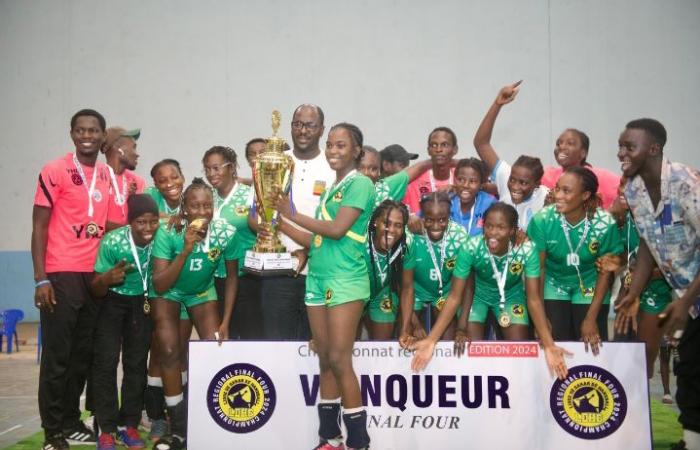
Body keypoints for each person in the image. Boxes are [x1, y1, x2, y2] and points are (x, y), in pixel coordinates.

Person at [274, 122, 374, 450]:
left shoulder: (361, 184)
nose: (333, 150)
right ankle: (329, 438)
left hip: (346, 280)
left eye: (341, 145)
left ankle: (359, 442)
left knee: (340, 359)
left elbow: (335, 229)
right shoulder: (333, 186)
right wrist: (279, 221)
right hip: (316, 278)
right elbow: (317, 241)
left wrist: (294, 213)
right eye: (330, 145)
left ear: (356, 150)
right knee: (325, 360)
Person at [409, 202, 570, 380]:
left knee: (518, 351)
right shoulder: (471, 247)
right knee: (470, 351)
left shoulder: (526, 249)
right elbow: (455, 296)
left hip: (511, 295)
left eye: (501, 228)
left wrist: (549, 344)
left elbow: (533, 300)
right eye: (489, 226)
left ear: (512, 231)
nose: (493, 233)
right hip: (478, 296)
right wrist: (431, 340)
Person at [614, 118, 700, 450]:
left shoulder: (685, 182)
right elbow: (649, 243)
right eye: (620, 145)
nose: (621, 152)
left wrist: (684, 300)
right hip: (687, 296)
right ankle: (692, 441)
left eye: (629, 146)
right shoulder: (634, 189)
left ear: (654, 149)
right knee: (690, 368)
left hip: (691, 293)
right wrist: (633, 292)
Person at [32, 109, 110, 449]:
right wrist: (40, 279)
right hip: (61, 272)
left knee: (82, 353)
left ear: (103, 135)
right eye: (80, 130)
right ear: (72, 134)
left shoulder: (107, 175)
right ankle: (52, 431)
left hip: (95, 275)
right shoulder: (54, 170)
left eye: (93, 130)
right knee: (57, 355)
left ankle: (69, 419)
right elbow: (39, 227)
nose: (87, 135)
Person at [149, 178, 242, 450]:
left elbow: (233, 278)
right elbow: (160, 283)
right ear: (185, 208)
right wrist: (186, 248)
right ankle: (177, 427)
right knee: (168, 350)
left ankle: (206, 418)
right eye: (195, 206)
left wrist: (225, 321)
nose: (202, 212)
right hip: (168, 292)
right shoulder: (169, 231)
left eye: (207, 206)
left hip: (201, 292)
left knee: (214, 348)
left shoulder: (225, 231)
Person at [257, 104, 335, 340]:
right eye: (297, 124)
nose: (302, 131)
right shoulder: (271, 162)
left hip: (321, 273)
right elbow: (257, 212)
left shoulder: (333, 167)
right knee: (277, 345)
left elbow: (335, 227)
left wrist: (308, 249)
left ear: (321, 129)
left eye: (310, 125)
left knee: (317, 350)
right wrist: (265, 230)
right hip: (278, 269)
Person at [527, 167, 623, 351]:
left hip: (589, 283)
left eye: (566, 191)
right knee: (556, 341)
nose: (558, 196)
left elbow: (606, 273)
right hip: (553, 283)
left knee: (590, 345)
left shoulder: (604, 224)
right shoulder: (542, 221)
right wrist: (541, 319)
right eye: (557, 189)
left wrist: (591, 319)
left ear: (585, 195)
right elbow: (538, 270)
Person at [90, 194, 159, 450]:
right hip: (112, 302)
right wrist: (106, 279)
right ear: (130, 222)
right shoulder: (112, 242)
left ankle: (128, 424)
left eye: (153, 221)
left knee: (136, 364)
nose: (148, 228)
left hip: (142, 303)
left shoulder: (160, 240)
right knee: (105, 363)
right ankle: (106, 428)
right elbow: (95, 289)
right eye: (141, 222)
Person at [607, 177, 673, 380]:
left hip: (657, 293)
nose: (623, 189)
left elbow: (670, 266)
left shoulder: (664, 217)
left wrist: (636, 278)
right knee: (620, 351)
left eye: (632, 186)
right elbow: (625, 253)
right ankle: (623, 405)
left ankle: (641, 405)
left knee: (644, 358)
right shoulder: (625, 219)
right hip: (630, 292)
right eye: (622, 184)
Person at [142, 159, 188, 440]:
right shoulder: (150, 199)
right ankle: (155, 414)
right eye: (163, 179)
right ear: (155, 184)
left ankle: (177, 413)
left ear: (183, 176)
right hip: (159, 283)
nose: (170, 182)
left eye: (175, 176)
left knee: (179, 350)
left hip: (189, 286)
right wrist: (163, 218)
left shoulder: (193, 199)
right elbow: (135, 215)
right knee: (160, 349)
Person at [473, 81, 549, 230]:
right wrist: (497, 104)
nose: (514, 186)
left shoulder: (547, 198)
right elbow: (481, 143)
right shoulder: (505, 175)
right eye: (513, 180)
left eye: (523, 183)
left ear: (537, 184)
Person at [202, 145, 260, 339]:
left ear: (232, 167)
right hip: (211, 280)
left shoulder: (250, 195)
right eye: (207, 169)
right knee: (219, 339)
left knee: (248, 338)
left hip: (246, 277)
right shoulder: (205, 198)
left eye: (217, 168)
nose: (211, 174)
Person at [400, 192, 469, 343]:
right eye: (429, 220)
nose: (436, 226)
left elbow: (467, 285)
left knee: (447, 343)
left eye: (442, 220)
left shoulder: (459, 236)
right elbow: (403, 287)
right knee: (408, 334)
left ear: (449, 216)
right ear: (421, 216)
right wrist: (415, 324)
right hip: (415, 292)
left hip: (445, 292)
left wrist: (461, 328)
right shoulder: (410, 235)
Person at [540, 128, 619, 210]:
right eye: (558, 144)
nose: (561, 147)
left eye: (570, 143)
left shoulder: (602, 177)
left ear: (583, 153)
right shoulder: (546, 175)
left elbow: (625, 197)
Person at [364, 200, 410, 339]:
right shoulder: (360, 241)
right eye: (386, 223)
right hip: (354, 293)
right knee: (346, 346)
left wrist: (405, 329)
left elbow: (407, 288)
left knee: (381, 346)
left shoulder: (407, 246)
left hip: (382, 293)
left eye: (398, 226)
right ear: (375, 222)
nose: (391, 230)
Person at [403, 127, 458, 214]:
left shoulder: (462, 178)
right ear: (429, 150)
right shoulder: (414, 182)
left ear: (455, 149)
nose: (438, 149)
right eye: (434, 145)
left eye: (445, 145)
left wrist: (457, 188)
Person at [358, 145, 433, 207]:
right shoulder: (383, 189)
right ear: (386, 165)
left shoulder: (404, 187)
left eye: (408, 166)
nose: (407, 170)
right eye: (402, 166)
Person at [102, 127, 146, 230]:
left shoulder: (137, 181)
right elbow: (92, 222)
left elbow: (143, 221)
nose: (137, 154)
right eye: (133, 147)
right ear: (119, 148)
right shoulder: (97, 177)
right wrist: (129, 230)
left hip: (128, 245)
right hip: (99, 245)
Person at [450, 158, 497, 236]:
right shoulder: (446, 202)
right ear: (455, 180)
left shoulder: (490, 204)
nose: (465, 185)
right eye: (461, 180)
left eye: (472, 181)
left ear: (481, 184)